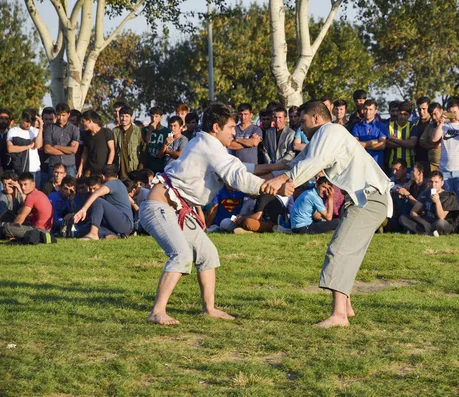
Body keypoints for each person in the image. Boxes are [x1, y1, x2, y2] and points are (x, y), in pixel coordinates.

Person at [138, 103, 293, 325]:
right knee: (181, 255)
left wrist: (278, 167)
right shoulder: (209, 146)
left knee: (207, 253)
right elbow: (237, 177)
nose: (234, 132)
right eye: (230, 127)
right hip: (159, 206)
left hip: (177, 208)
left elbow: (241, 167)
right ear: (215, 127)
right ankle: (157, 311)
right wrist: (272, 186)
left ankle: (209, 308)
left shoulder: (207, 143)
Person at [263, 100, 392, 328]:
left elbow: (312, 163)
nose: (300, 128)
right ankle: (347, 308)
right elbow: (293, 164)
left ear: (316, 118)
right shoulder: (322, 138)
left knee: (339, 250)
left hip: (369, 199)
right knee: (346, 250)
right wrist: (257, 179)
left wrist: (283, 180)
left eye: (302, 122)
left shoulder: (330, 131)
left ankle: (339, 315)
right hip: (366, 199)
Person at [431, 97, 459, 212]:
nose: (453, 115)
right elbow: (434, 139)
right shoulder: (444, 126)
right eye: (450, 112)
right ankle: (451, 223)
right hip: (445, 170)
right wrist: (440, 123)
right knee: (447, 199)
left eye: (455, 112)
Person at [73, 164, 134, 240]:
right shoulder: (118, 183)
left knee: (99, 201)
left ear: (102, 177)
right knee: (83, 230)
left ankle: (93, 234)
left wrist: (84, 209)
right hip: (116, 225)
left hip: (125, 223)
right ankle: (114, 236)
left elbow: (96, 194)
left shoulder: (113, 183)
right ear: (117, 176)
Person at [399, 170, 459, 235]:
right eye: (431, 182)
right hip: (427, 221)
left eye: (436, 182)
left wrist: (437, 201)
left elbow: (441, 217)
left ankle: (424, 232)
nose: (433, 185)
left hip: (441, 223)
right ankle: (429, 233)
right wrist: (424, 222)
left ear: (442, 183)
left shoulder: (449, 196)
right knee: (403, 218)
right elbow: (413, 212)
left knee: (440, 223)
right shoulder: (426, 193)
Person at [1, 172, 53, 239]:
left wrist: (12, 229)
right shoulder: (39, 193)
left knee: (7, 228)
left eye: (25, 184)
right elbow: (21, 211)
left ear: (33, 184)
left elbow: (21, 217)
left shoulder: (31, 196)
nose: (23, 187)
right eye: (21, 185)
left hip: (39, 231)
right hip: (45, 229)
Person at [6, 109, 44, 187]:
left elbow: (38, 145)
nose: (28, 125)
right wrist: (28, 146)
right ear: (22, 118)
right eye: (26, 121)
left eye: (30, 122)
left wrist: (41, 127)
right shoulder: (13, 131)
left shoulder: (35, 131)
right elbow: (10, 149)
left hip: (34, 169)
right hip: (19, 169)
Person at [43, 103, 80, 178]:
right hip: (54, 166)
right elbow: (47, 149)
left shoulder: (74, 129)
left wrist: (56, 146)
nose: (60, 118)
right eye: (59, 115)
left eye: (63, 115)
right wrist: (67, 151)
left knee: (70, 188)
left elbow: (74, 150)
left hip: (69, 167)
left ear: (68, 115)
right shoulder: (50, 128)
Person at [352, 99, 388, 168]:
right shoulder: (357, 126)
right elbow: (354, 145)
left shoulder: (381, 126)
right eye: (366, 109)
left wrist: (364, 145)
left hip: (376, 165)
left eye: (370, 109)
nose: (368, 112)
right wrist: (372, 142)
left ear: (375, 111)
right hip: (360, 164)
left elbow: (382, 146)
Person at [78, 110, 115, 178]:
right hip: (89, 171)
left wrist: (108, 167)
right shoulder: (86, 135)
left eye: (84, 121)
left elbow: (112, 150)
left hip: (103, 171)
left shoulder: (106, 132)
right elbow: (85, 153)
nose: (83, 124)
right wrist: (80, 169)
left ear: (89, 121)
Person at [143, 107, 170, 174]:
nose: (154, 119)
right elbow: (146, 143)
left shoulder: (167, 131)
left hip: (161, 166)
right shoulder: (145, 130)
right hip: (148, 165)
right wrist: (150, 130)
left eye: (156, 116)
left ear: (161, 117)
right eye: (152, 117)